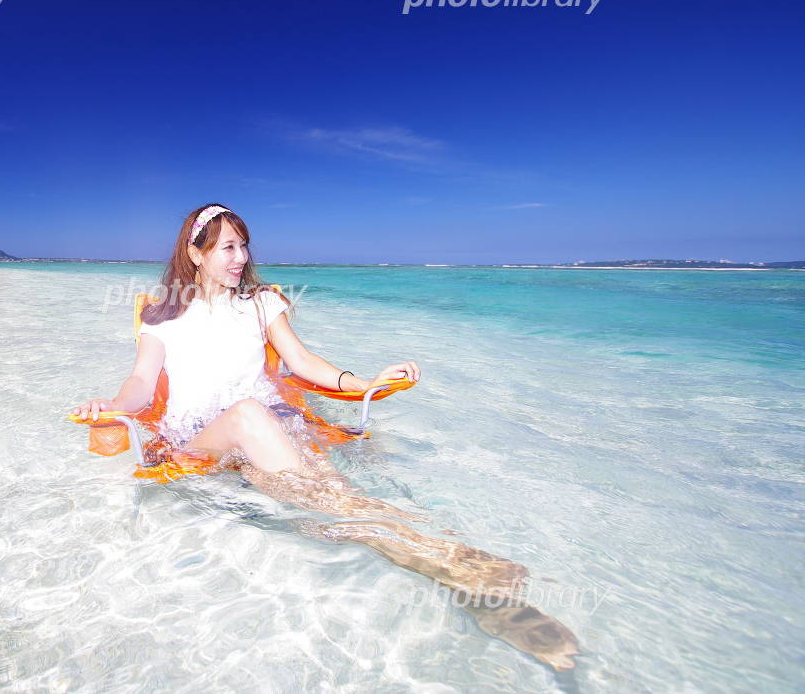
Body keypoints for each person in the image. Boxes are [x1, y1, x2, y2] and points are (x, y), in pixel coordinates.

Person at [72, 203, 581, 673]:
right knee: (269, 435)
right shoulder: (163, 318)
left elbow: (303, 363)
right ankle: (453, 563)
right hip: (202, 440)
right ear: (195, 254)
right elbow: (141, 386)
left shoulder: (262, 305)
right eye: (228, 247)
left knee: (324, 493)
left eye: (244, 245)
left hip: (271, 428)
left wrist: (368, 383)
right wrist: (110, 406)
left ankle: (456, 575)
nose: (241, 257)